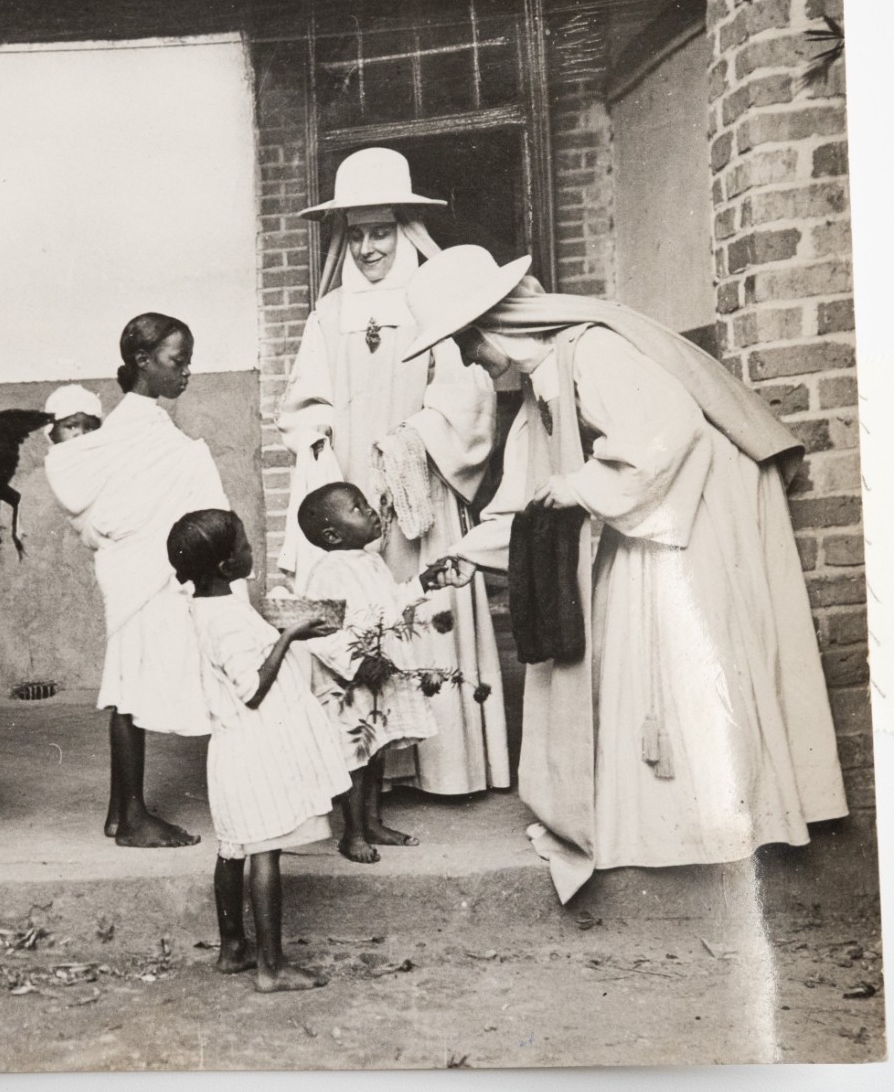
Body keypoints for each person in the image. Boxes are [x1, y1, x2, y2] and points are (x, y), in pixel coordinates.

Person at [400, 244, 850, 902]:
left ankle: (700, 830)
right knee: (628, 657)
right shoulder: (543, 378)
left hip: (690, 507)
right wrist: (467, 554)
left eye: (467, 341)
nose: (469, 358)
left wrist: (581, 487)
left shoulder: (593, 351)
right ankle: (646, 827)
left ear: (496, 324)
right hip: (646, 506)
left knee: (670, 658)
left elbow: (667, 432)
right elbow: (530, 492)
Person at [277, 146, 508, 800]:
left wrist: (411, 441)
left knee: (422, 610)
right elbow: (305, 400)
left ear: (405, 230)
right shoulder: (328, 314)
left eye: (381, 232)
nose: (368, 248)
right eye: (356, 235)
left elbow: (468, 397)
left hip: (418, 488)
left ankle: (443, 768)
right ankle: (366, 773)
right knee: (359, 621)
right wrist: (319, 440)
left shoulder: (434, 301)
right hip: (350, 494)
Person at [44, 314, 229, 847]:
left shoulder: (149, 426)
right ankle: (132, 819)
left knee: (129, 683)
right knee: (129, 689)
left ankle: (118, 811)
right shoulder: (130, 428)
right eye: (178, 360)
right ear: (143, 362)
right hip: (138, 571)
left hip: (141, 568)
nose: (187, 371)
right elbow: (100, 502)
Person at [167, 508, 350, 992]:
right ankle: (272, 967)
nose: (252, 551)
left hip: (235, 749)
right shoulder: (225, 619)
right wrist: (290, 636)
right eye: (245, 546)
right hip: (255, 750)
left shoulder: (210, 603)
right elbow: (251, 690)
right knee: (265, 851)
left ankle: (233, 949)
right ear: (226, 565)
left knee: (233, 849)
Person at [295, 481, 476, 863]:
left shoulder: (371, 561)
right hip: (349, 682)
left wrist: (423, 583)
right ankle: (353, 834)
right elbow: (319, 632)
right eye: (358, 508)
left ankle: (373, 821)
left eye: (366, 503)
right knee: (356, 755)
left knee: (375, 749)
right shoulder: (327, 572)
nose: (371, 511)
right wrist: (356, 662)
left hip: (379, 673)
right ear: (332, 535)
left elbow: (391, 604)